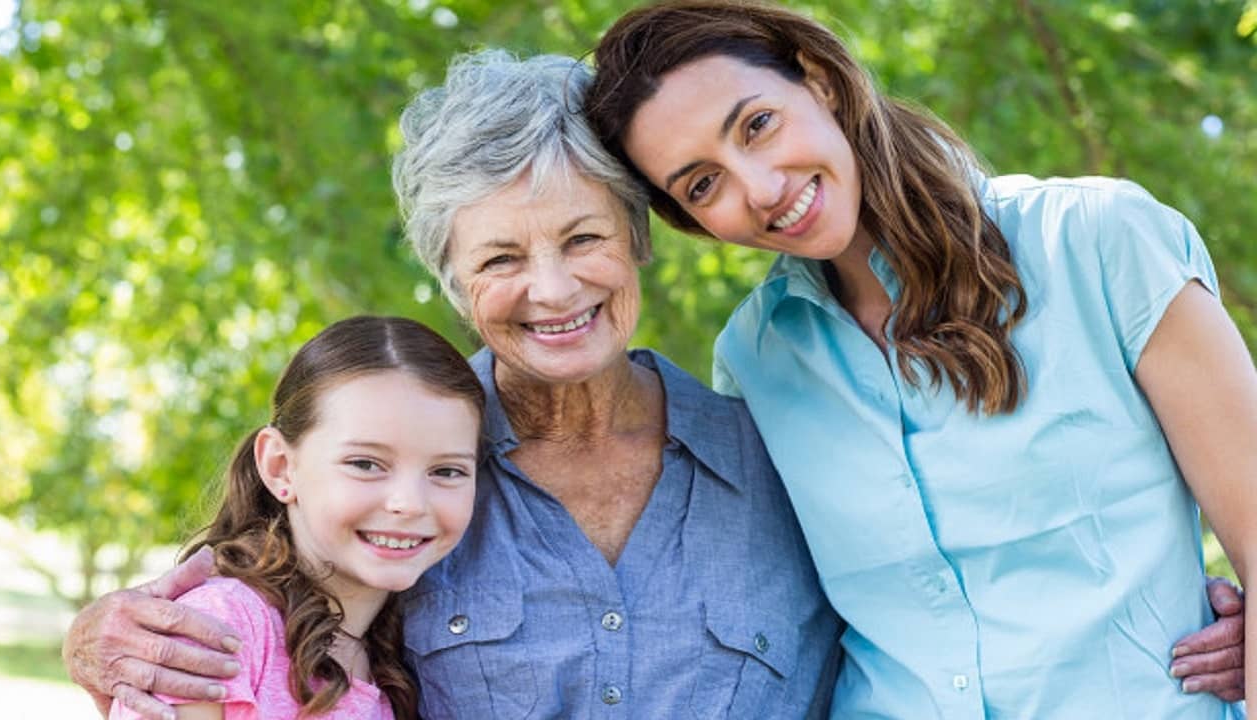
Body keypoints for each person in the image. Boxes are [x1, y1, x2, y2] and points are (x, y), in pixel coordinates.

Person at [63, 51, 841, 719]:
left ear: (638, 239)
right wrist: (100, 635)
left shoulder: (788, 450)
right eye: (501, 259)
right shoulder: (410, 484)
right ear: (456, 286)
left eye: (584, 238)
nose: (554, 288)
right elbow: (259, 621)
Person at [586, 1, 1256, 717]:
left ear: (820, 82)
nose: (761, 189)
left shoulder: (1096, 243)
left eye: (757, 125)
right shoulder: (755, 360)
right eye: (702, 184)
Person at [104, 315, 485, 720]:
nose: (409, 503)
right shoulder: (220, 628)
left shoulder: (400, 658)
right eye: (365, 463)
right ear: (281, 467)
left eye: (447, 471)